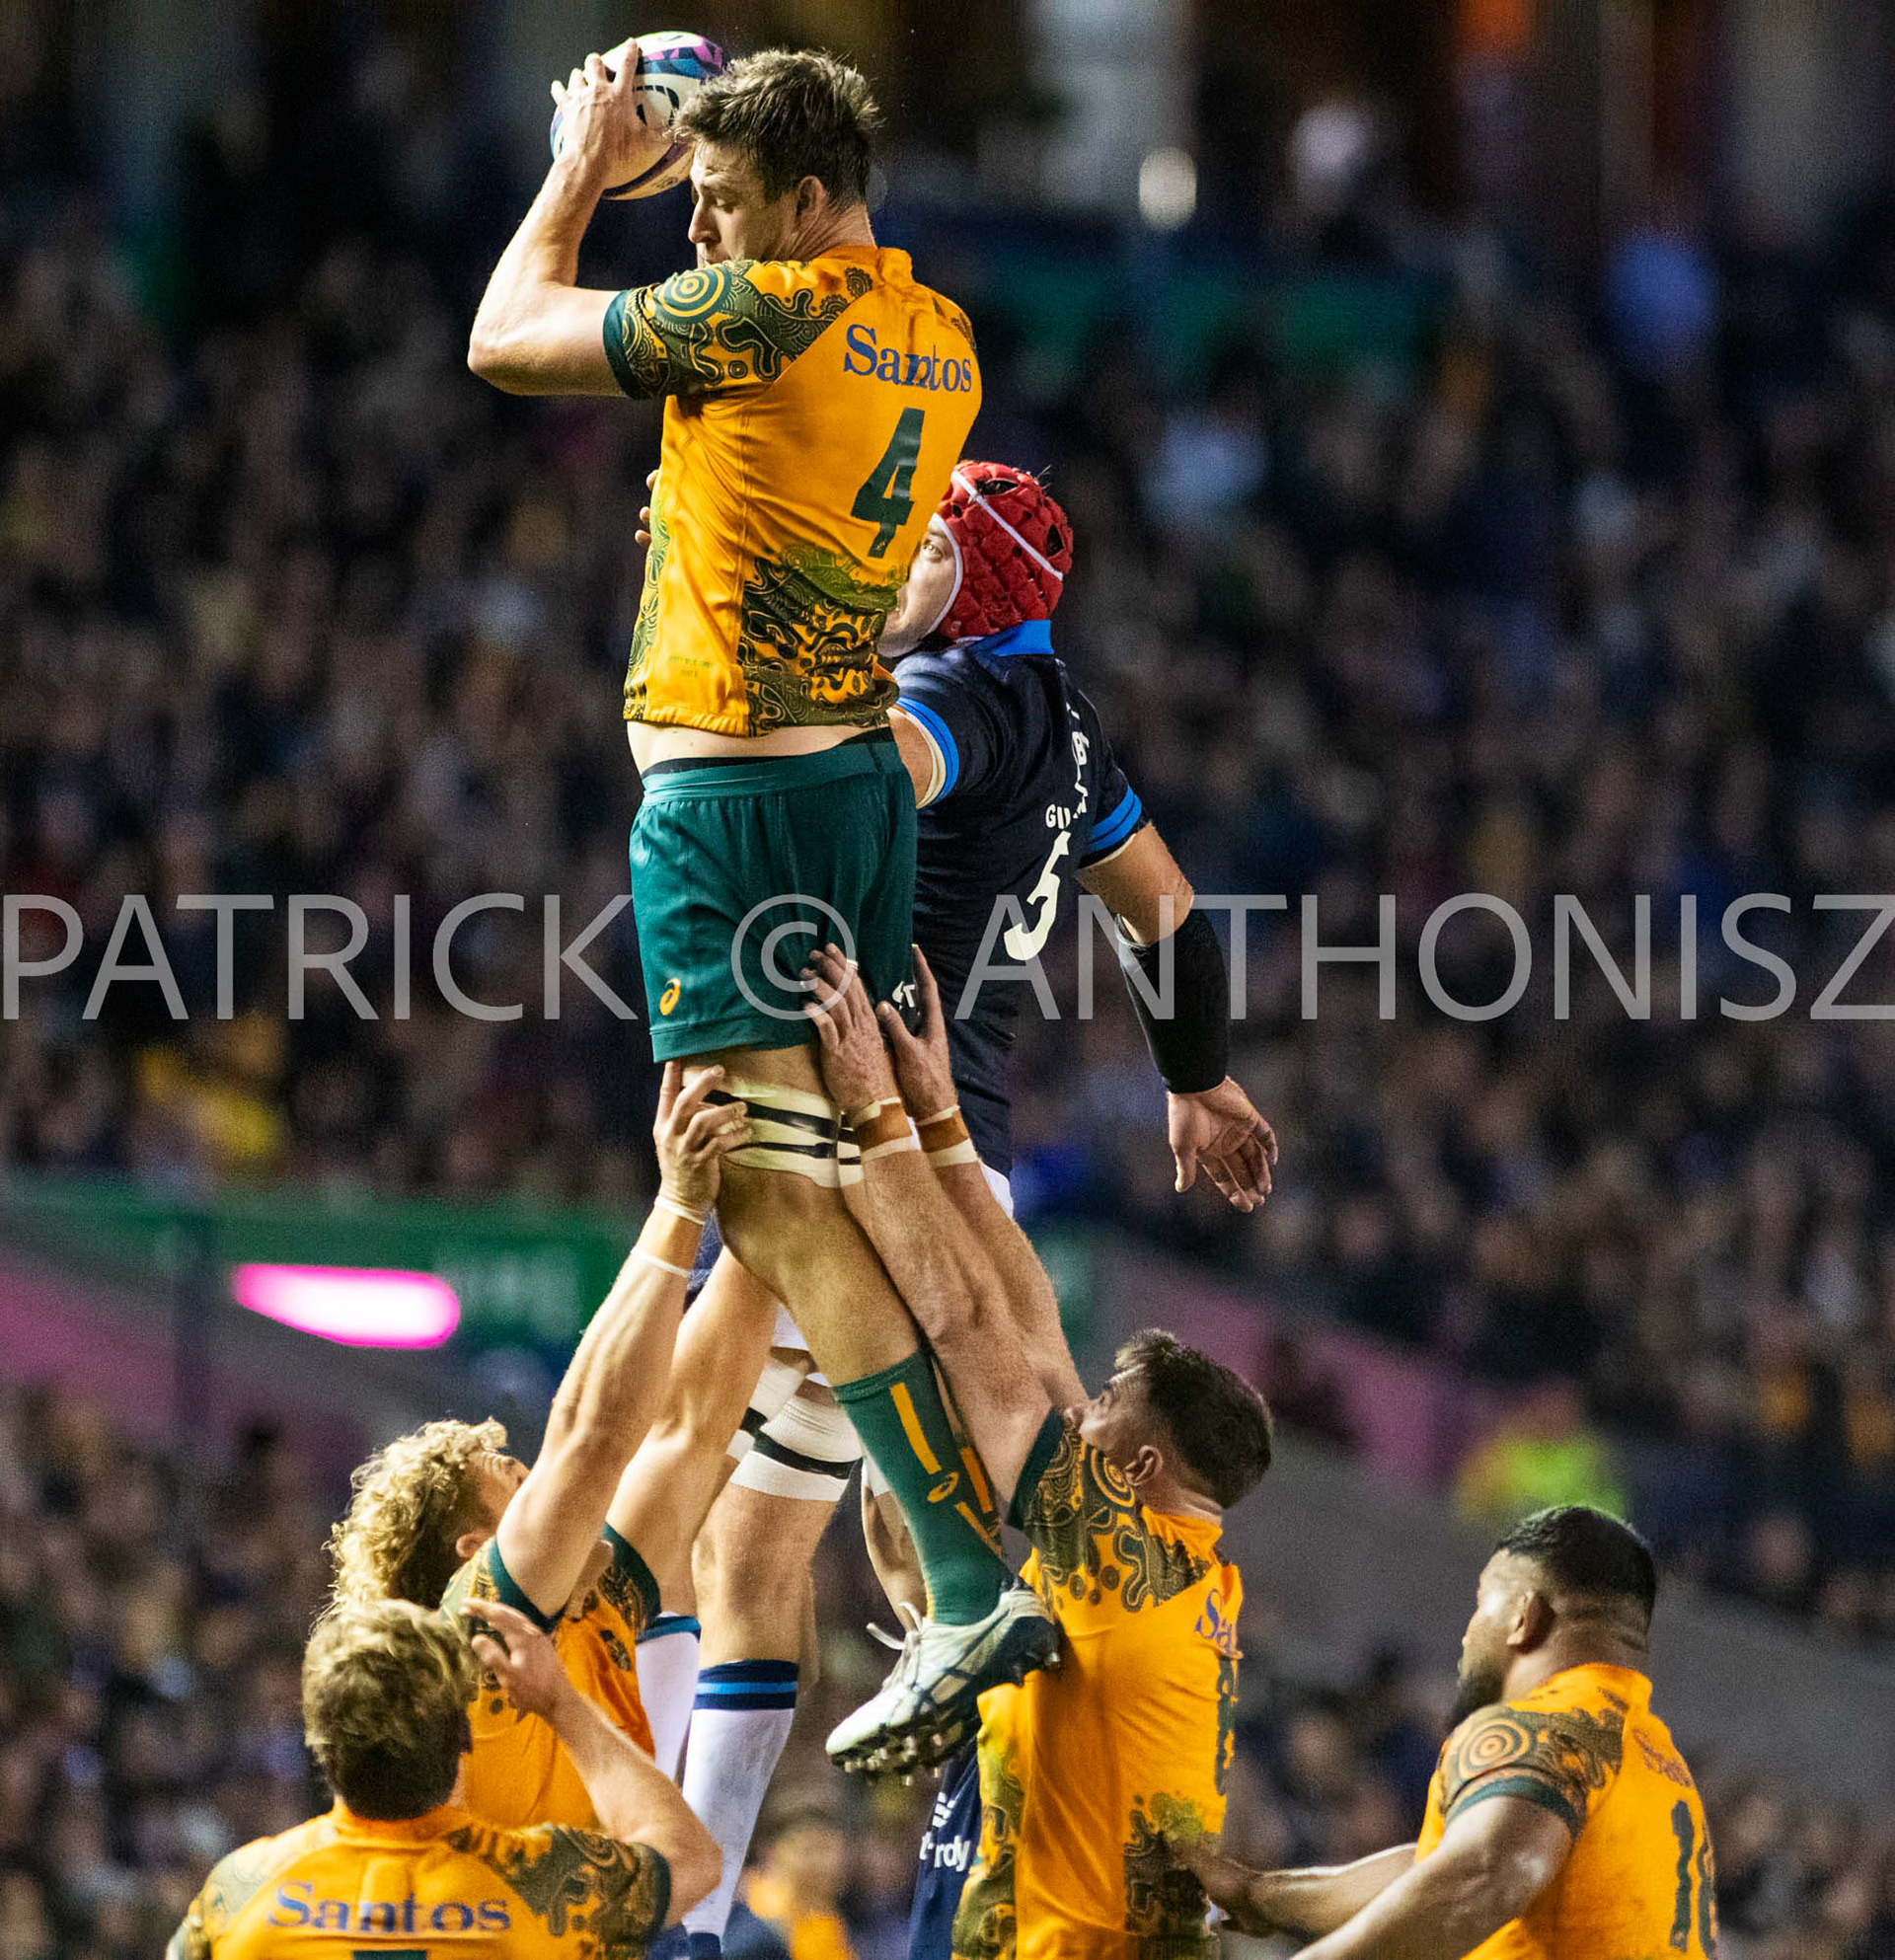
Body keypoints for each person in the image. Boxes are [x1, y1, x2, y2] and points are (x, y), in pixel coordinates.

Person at [467, 38, 1039, 1762]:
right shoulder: (937, 334)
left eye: (719, 203)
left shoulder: (760, 316)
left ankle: (962, 1574)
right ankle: (965, 1569)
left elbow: (505, 333)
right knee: (824, 1181)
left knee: (765, 1193)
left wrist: (582, 168)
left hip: (733, 802)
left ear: (802, 201)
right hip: (852, 787)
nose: (698, 231)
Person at [658, 464, 1278, 1953]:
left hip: (855, 1133)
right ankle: (707, 1911)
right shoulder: (1068, 724)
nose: (892, 561)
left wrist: (751, 623)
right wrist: (1198, 1074)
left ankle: (679, 1905)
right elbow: (1167, 908)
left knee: (688, 1509)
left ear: (979, 573)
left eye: (921, 543)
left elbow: (869, 775)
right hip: (952, 1151)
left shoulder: (955, 693)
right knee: (754, 1551)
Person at [804, 946, 1274, 1957]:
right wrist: (941, 1118)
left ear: (1140, 1468)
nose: (1079, 1410)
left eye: (1104, 1407)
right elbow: (1034, 1330)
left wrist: (873, 1114)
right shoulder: (1176, 1568)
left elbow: (974, 1326)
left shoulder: (1118, 1563)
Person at [323, 1064, 752, 1830]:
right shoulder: (474, 1637)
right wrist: (681, 1202)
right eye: (517, 1485)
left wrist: (785, 1174)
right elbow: (592, 1442)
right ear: (473, 1553)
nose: (540, 1481)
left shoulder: (591, 1611)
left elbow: (693, 1431)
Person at [1186, 1507, 1718, 1960]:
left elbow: (1486, 1875)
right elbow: (1442, 1866)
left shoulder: (1545, 1728)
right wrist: (1263, 1895)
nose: (1470, 1632)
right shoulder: (1655, 1767)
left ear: (1524, 1615)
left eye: (1484, 1602)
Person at [167, 1596, 720, 1959]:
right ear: (463, 1737)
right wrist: (560, 1704)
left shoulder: (237, 1895)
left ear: (318, 1746)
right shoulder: (545, 1887)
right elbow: (692, 1858)